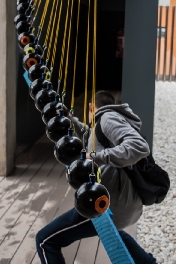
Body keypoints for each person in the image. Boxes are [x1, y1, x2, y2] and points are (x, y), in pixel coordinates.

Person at [36, 91, 157, 264]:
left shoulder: (107, 119)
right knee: (117, 233)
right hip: (128, 207)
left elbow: (140, 147)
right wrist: (71, 119)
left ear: (91, 107)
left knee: (45, 241)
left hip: (110, 207)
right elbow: (89, 134)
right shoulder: (106, 121)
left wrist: (95, 156)